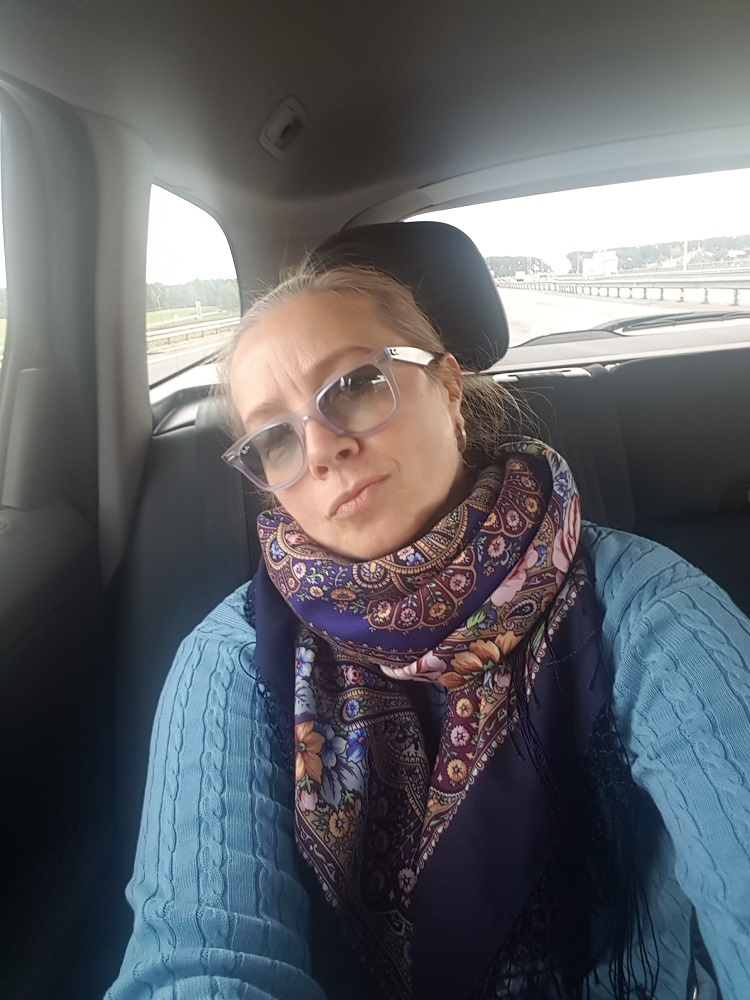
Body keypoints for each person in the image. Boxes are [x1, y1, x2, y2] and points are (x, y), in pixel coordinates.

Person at [106, 264, 750, 1000]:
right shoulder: (232, 661)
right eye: (276, 439)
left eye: (353, 385)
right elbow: (204, 963)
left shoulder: (640, 604)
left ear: (448, 388)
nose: (320, 449)